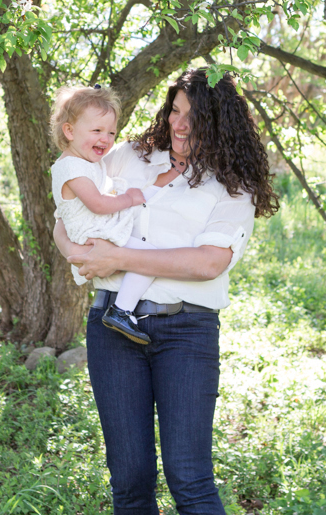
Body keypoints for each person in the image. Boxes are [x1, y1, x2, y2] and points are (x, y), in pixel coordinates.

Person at [52, 68, 280, 515]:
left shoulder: (233, 185)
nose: (179, 124)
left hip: (186, 331)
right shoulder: (131, 156)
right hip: (111, 329)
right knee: (130, 479)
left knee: (188, 475)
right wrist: (75, 252)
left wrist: (117, 259)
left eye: (193, 117)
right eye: (175, 110)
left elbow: (208, 262)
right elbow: (67, 207)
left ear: (218, 122)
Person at [48, 86, 158, 345]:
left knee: (145, 254)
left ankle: (122, 309)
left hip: (94, 231)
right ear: (69, 131)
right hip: (93, 234)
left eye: (111, 132)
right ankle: (122, 310)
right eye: (96, 130)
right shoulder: (72, 167)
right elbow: (97, 204)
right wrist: (127, 199)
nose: (106, 138)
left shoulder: (84, 163)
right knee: (149, 258)